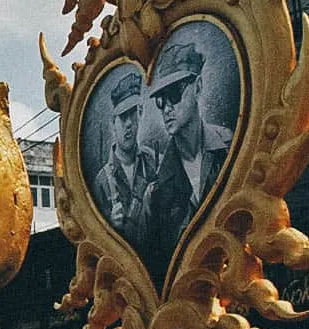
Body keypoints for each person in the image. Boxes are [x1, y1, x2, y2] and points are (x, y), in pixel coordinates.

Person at [143, 42, 233, 285]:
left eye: (174, 94)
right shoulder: (156, 192)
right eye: (160, 100)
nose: (167, 108)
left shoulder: (230, 148)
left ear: (198, 87)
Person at [93, 71, 155, 252]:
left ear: (140, 114)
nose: (129, 123)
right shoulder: (102, 181)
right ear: (114, 122)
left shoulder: (151, 162)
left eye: (133, 114)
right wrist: (110, 225)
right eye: (123, 116)